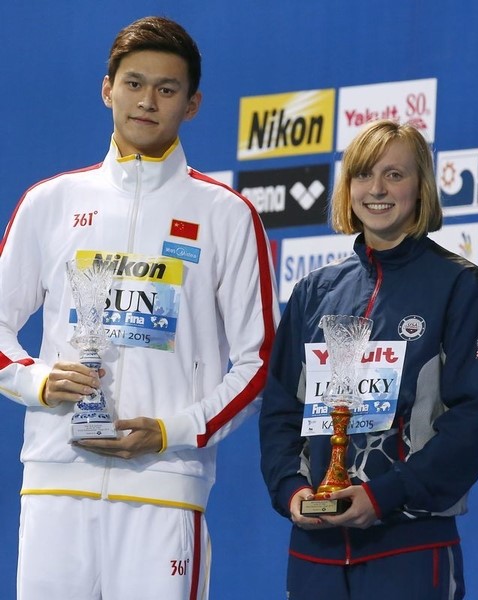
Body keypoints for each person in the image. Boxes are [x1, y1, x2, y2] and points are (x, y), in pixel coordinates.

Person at [0, 16, 278, 600]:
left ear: (193, 104)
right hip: (55, 485)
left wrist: (170, 431)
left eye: (167, 89)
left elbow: (260, 363)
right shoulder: (51, 203)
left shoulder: (225, 215)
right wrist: (39, 383)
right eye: (133, 83)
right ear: (107, 90)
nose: (147, 101)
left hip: (164, 486)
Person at [259, 119, 478, 600]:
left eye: (395, 175)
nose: (377, 189)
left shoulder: (463, 288)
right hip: (315, 553)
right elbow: (280, 412)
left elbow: (474, 422)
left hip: (409, 547)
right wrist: (291, 490)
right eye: (363, 174)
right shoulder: (314, 292)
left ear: (422, 188)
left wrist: (383, 495)